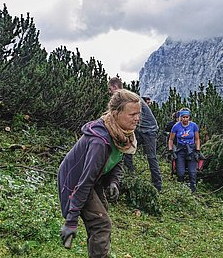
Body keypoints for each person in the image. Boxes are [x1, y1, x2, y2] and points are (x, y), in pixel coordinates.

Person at [58, 89, 140, 257]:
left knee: (102, 216)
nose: (137, 118)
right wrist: (71, 220)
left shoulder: (121, 134)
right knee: (101, 224)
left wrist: (113, 182)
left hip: (93, 180)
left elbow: (117, 159)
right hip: (75, 181)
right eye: (132, 114)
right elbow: (85, 181)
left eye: (138, 114)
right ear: (116, 113)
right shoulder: (99, 142)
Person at [108, 77, 163, 191]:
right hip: (139, 128)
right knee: (127, 150)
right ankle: (130, 177)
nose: (110, 93)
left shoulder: (125, 97)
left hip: (148, 129)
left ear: (114, 87)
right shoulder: (126, 96)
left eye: (110, 89)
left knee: (151, 156)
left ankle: (158, 186)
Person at [168, 107, 201, 193]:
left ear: (189, 117)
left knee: (192, 172)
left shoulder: (194, 126)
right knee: (180, 172)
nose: (185, 119)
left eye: (187, 117)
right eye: (183, 117)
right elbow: (171, 139)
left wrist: (197, 150)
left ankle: (193, 190)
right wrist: (170, 150)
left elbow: (197, 139)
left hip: (191, 149)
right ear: (180, 117)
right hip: (180, 150)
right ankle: (181, 190)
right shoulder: (176, 126)